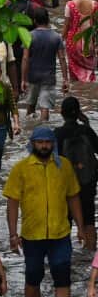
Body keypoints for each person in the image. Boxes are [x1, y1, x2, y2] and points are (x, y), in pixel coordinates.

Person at [5, 126, 83, 297]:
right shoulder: (21, 169)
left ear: (53, 144)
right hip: (32, 235)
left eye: (48, 142)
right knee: (33, 276)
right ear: (33, 144)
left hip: (60, 233)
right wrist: (12, 235)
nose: (44, 146)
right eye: (40, 142)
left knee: (63, 275)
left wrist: (81, 228)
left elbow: (73, 197)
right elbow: (12, 203)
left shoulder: (64, 166)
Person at [56, 95, 98, 251]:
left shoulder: (58, 134)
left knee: (64, 220)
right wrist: (86, 123)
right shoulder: (86, 131)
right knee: (88, 219)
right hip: (87, 182)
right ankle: (91, 258)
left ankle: (65, 256)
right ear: (79, 112)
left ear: (61, 113)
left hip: (65, 185)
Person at [21, 6, 69, 120]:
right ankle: (44, 129)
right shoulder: (56, 37)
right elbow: (62, 59)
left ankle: (29, 130)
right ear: (48, 20)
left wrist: (23, 79)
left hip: (33, 77)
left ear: (34, 21)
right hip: (49, 78)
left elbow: (25, 58)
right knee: (45, 107)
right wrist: (65, 79)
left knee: (31, 105)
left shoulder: (29, 36)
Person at [64, 0, 97, 83]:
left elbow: (66, 27)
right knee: (88, 71)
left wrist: (60, 40)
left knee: (74, 73)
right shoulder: (95, 5)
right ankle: (88, 92)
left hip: (73, 42)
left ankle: (77, 93)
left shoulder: (70, 5)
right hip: (89, 42)